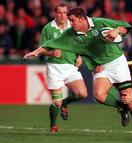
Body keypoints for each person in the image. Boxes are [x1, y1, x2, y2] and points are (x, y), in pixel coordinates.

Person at [23, 7, 132, 139]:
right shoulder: (70, 33)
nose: (71, 23)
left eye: (73, 20)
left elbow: (126, 27)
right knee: (99, 95)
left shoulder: (99, 23)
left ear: (82, 19)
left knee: (129, 99)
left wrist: (117, 30)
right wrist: (36, 52)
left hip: (117, 62)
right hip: (100, 66)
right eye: (70, 20)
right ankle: (121, 107)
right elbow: (52, 43)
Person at [33, 3, 88, 132]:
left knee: (82, 94)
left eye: (65, 13)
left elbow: (80, 44)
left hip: (70, 66)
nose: (62, 15)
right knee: (56, 102)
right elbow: (41, 49)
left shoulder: (73, 25)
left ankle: (65, 103)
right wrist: (51, 53)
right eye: (59, 13)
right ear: (55, 14)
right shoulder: (48, 29)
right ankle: (53, 125)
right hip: (55, 67)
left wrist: (79, 56)